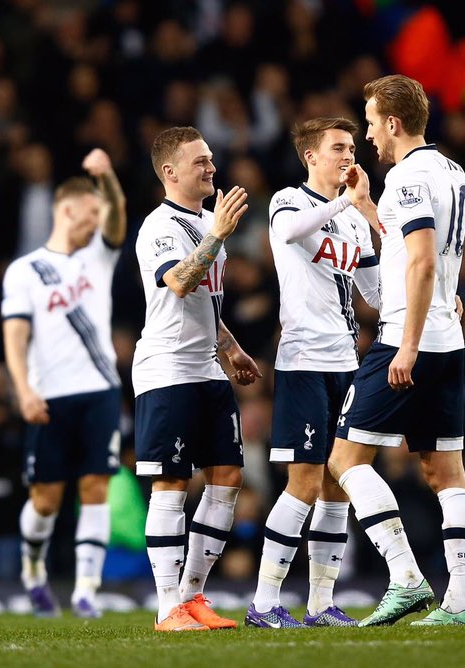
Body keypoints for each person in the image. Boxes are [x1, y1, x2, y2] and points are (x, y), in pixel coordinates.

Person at [327, 74, 465, 626]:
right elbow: (425, 251)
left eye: (369, 122)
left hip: (407, 338)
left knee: (344, 459)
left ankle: (407, 578)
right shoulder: (451, 170)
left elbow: (421, 261)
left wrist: (406, 348)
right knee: (444, 471)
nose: (367, 134)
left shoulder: (410, 177)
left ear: (392, 122)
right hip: (448, 337)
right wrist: (369, 209)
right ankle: (459, 605)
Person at [246, 118, 379, 629]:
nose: (349, 156)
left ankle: (321, 603)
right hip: (303, 360)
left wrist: (423, 308)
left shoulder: (351, 222)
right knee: (302, 482)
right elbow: (287, 233)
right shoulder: (289, 201)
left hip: (347, 362)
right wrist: (349, 201)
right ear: (311, 158)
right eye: (338, 148)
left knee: (338, 484)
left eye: (351, 147)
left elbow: (374, 290)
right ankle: (262, 602)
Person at [133, 126, 261, 632]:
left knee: (228, 476)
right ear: (170, 172)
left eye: (211, 159)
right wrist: (218, 236)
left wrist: (230, 347)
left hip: (206, 366)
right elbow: (180, 282)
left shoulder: (209, 225)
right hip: (167, 368)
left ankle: (193, 596)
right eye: (200, 162)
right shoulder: (159, 226)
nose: (211, 168)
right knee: (172, 482)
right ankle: (168, 608)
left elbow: (208, 301)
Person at [1, 148, 127, 618]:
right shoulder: (25, 270)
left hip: (99, 389)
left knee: (95, 486)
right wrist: (23, 389)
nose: (98, 221)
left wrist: (107, 177)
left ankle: (85, 592)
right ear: (68, 209)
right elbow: (15, 335)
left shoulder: (98, 257)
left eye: (100, 213)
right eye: (91, 212)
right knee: (46, 498)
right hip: (48, 394)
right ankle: (33, 572)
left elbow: (117, 214)